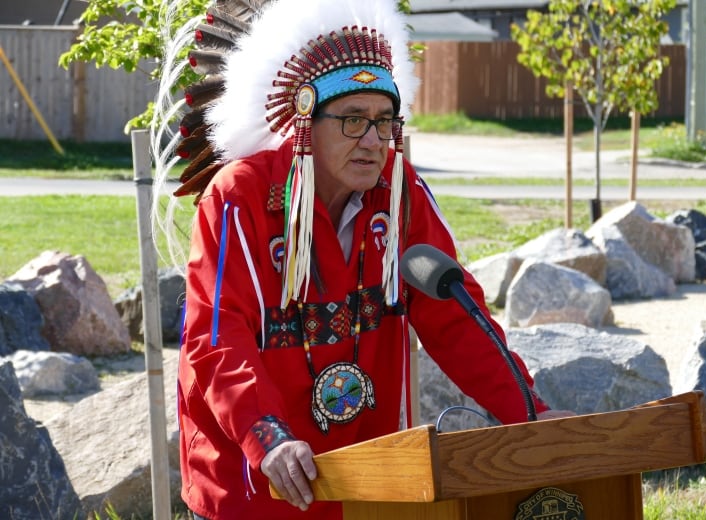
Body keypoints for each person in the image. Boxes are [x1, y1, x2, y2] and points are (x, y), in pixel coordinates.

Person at [152, 0, 566, 518]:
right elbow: (217, 339)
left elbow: (454, 316)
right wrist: (270, 440)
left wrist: (531, 413)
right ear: (305, 121)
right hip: (256, 482)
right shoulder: (240, 197)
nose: (373, 140)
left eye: (383, 120)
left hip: (364, 474)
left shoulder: (399, 190)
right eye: (352, 120)